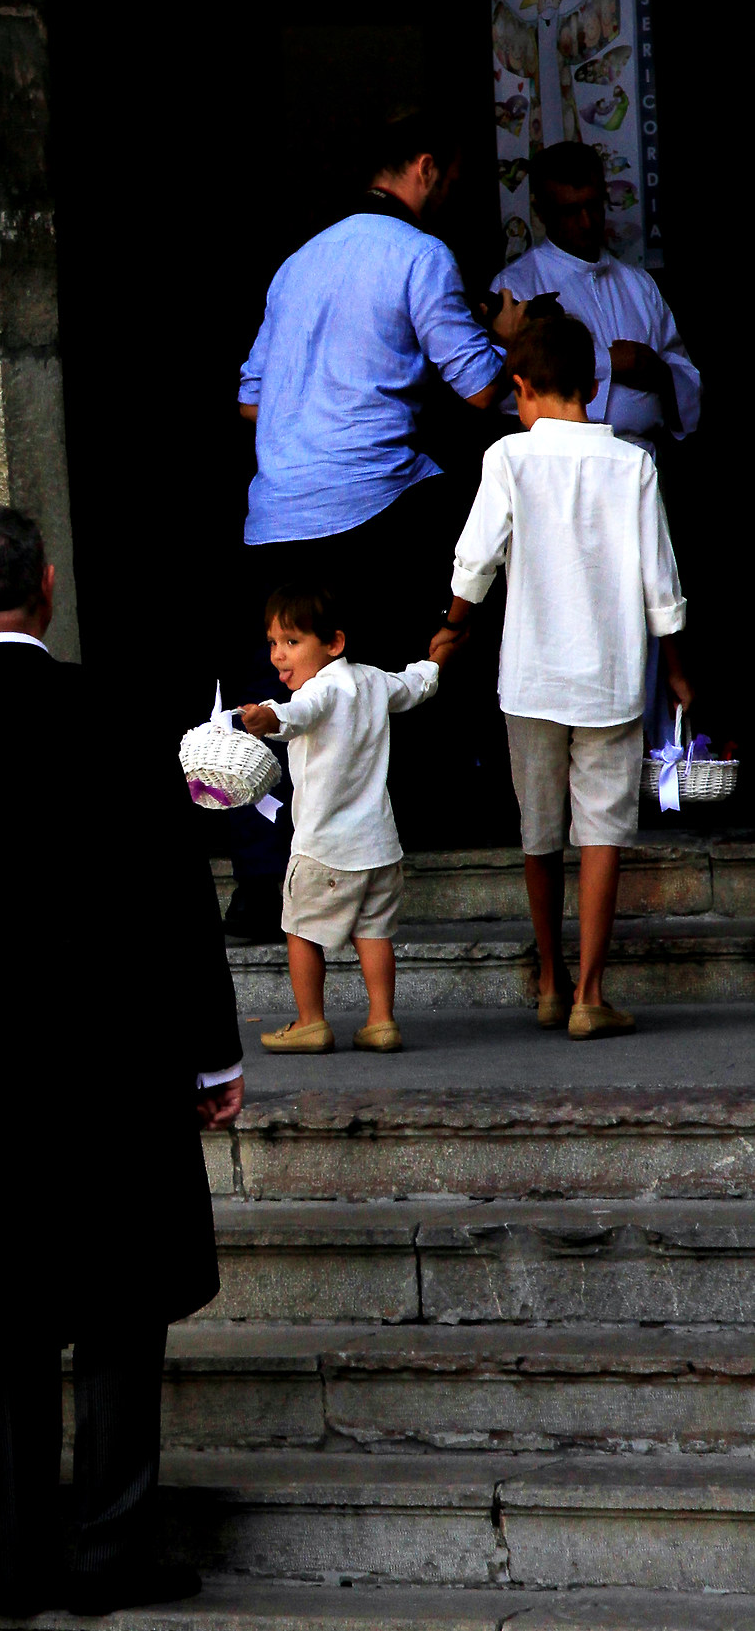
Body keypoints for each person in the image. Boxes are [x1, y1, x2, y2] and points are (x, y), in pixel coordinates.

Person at [0, 506, 243, 1618]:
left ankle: (20, 1553)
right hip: (119, 1032)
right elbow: (180, 897)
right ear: (51, 590)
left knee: (8, 1290)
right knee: (122, 1291)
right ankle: (113, 1549)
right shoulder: (121, 711)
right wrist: (212, 1053)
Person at [227, 112, 516, 936]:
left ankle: (261, 885)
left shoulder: (296, 264)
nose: (447, 195)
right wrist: (510, 334)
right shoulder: (421, 255)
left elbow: (249, 400)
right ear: (425, 168)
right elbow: (479, 392)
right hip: (370, 508)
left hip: (277, 508)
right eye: (450, 181)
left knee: (271, 692)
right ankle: (422, 828)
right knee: (417, 652)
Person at [437, 311, 690, 1039]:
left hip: (531, 680)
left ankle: (548, 981)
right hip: (608, 680)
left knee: (538, 832)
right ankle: (588, 993)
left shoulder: (508, 458)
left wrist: (453, 626)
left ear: (519, 386)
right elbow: (660, 582)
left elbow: (476, 561)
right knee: (603, 831)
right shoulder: (633, 463)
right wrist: (677, 671)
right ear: (594, 384)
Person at [237, 583, 443, 1054]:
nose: (279, 656)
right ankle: (381, 1020)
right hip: (379, 850)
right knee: (373, 934)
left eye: (292, 642)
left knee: (300, 929)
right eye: (273, 643)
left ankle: (311, 1021)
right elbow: (415, 686)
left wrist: (269, 717)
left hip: (324, 850)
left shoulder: (319, 692)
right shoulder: (372, 681)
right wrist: (437, 660)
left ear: (333, 644)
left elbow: (299, 713)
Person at [497, 141, 701, 457]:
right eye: (570, 211)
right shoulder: (516, 288)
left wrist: (660, 373)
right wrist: (608, 363)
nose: (587, 222)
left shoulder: (638, 284)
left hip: (643, 458)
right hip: (561, 463)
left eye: (593, 206)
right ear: (540, 211)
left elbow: (683, 375)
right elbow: (509, 393)